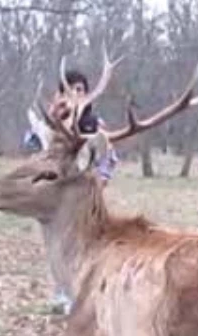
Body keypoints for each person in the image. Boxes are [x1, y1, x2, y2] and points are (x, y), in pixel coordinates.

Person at [22, 67, 120, 315]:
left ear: (87, 94)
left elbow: (110, 156)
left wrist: (102, 178)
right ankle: (62, 293)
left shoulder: (95, 124)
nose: (75, 94)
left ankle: (84, 293)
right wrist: (51, 120)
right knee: (56, 243)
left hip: (83, 194)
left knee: (84, 243)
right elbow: (30, 144)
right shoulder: (50, 122)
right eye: (68, 89)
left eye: (80, 89)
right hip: (54, 193)